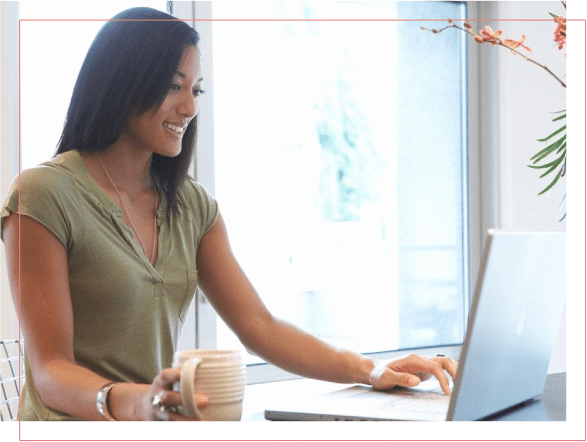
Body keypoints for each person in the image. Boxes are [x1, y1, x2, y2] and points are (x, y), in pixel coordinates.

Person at [0, 7, 457, 422]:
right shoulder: (44, 194)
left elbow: (260, 327)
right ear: (122, 82)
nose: (189, 107)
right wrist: (139, 402)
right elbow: (51, 371)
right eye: (173, 86)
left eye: (195, 90)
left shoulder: (193, 207)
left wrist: (372, 369)